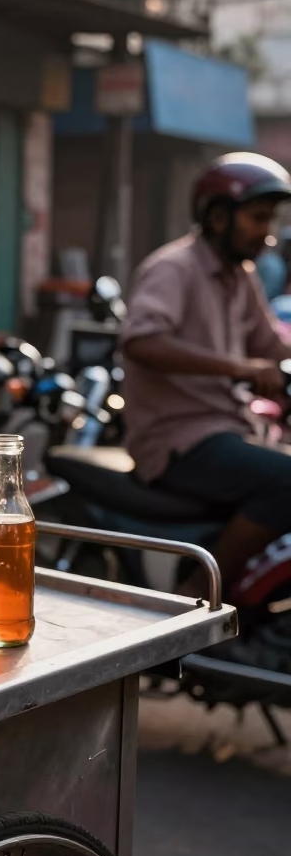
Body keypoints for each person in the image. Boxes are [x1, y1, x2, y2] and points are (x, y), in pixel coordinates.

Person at [121, 152, 291, 593]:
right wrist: (239, 366)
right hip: (179, 438)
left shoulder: (241, 276)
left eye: (269, 220)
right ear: (218, 217)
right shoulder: (173, 269)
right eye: (257, 219)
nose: (267, 234)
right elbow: (140, 341)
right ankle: (200, 595)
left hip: (230, 427)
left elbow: (271, 344)